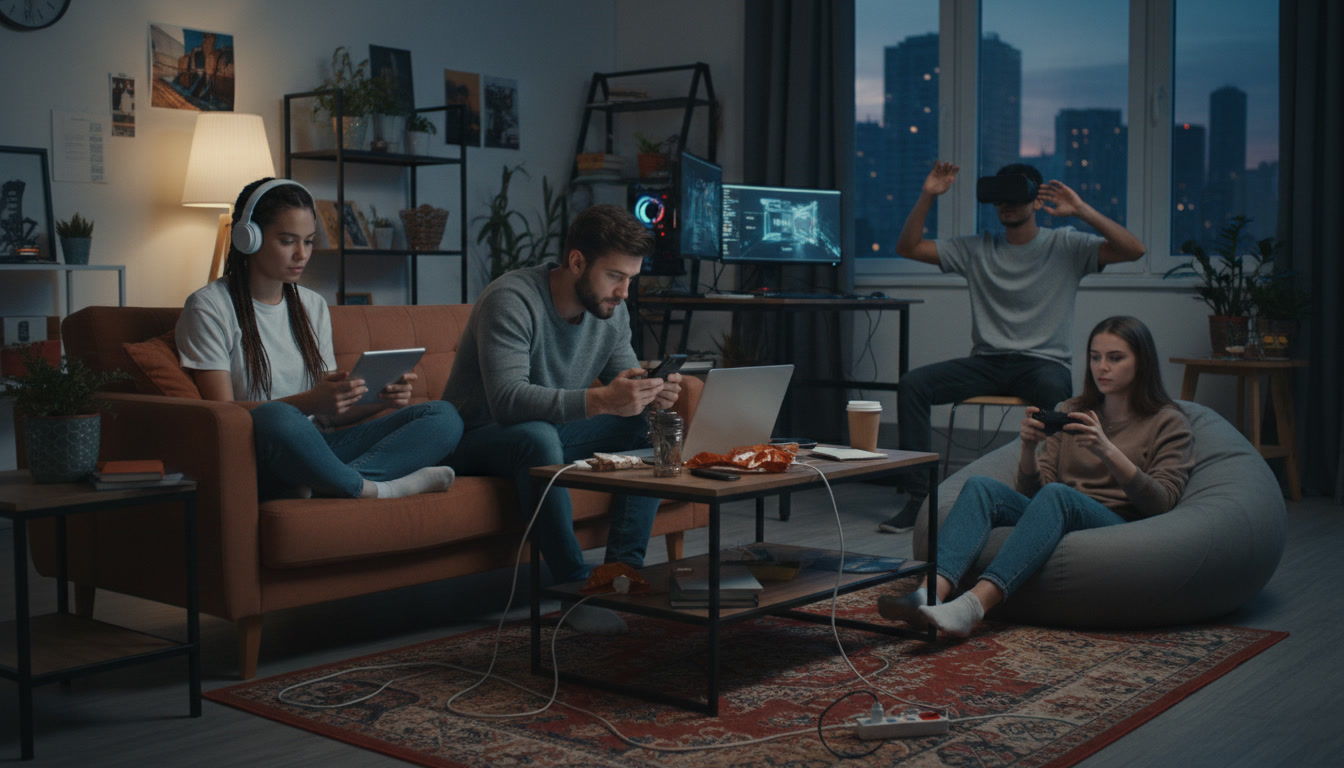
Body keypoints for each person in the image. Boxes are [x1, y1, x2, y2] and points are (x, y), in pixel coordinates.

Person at [441, 204, 681, 636]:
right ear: (576, 262)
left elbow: (621, 383)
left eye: (631, 279)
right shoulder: (511, 300)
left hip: (549, 434)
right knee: (536, 437)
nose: (624, 292)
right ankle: (573, 590)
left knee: (644, 425)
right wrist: (600, 401)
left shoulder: (611, 311)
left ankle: (619, 575)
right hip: (476, 438)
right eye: (615, 276)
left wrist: (651, 394)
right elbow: (508, 402)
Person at [877, 316, 1195, 637]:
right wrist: (1029, 449)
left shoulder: (1168, 422)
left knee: (1060, 495)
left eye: (1115, 358)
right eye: (1095, 357)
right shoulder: (1073, 409)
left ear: (1142, 363)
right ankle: (927, 595)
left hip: (1117, 524)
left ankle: (972, 607)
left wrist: (1107, 451)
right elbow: (1034, 496)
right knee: (980, 487)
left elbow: (1161, 503)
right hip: (1059, 512)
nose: (1102, 367)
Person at [879, 161, 1148, 533]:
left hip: (1043, 363)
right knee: (913, 384)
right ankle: (918, 500)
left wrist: (1082, 209)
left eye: (1015, 195)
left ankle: (1047, 497)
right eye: (999, 197)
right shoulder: (977, 249)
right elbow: (906, 247)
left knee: (1057, 392)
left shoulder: (1065, 244)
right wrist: (929, 194)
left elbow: (1134, 250)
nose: (1006, 204)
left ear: (1037, 201)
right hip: (987, 362)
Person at [177, 177, 462, 501]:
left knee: (442, 417)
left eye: (309, 241)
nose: (302, 254)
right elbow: (223, 414)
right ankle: (376, 489)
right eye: (287, 241)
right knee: (277, 416)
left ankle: (330, 483)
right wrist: (309, 402)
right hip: (263, 447)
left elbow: (327, 414)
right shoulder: (209, 307)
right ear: (249, 238)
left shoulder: (311, 305)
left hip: (319, 446)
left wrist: (380, 399)